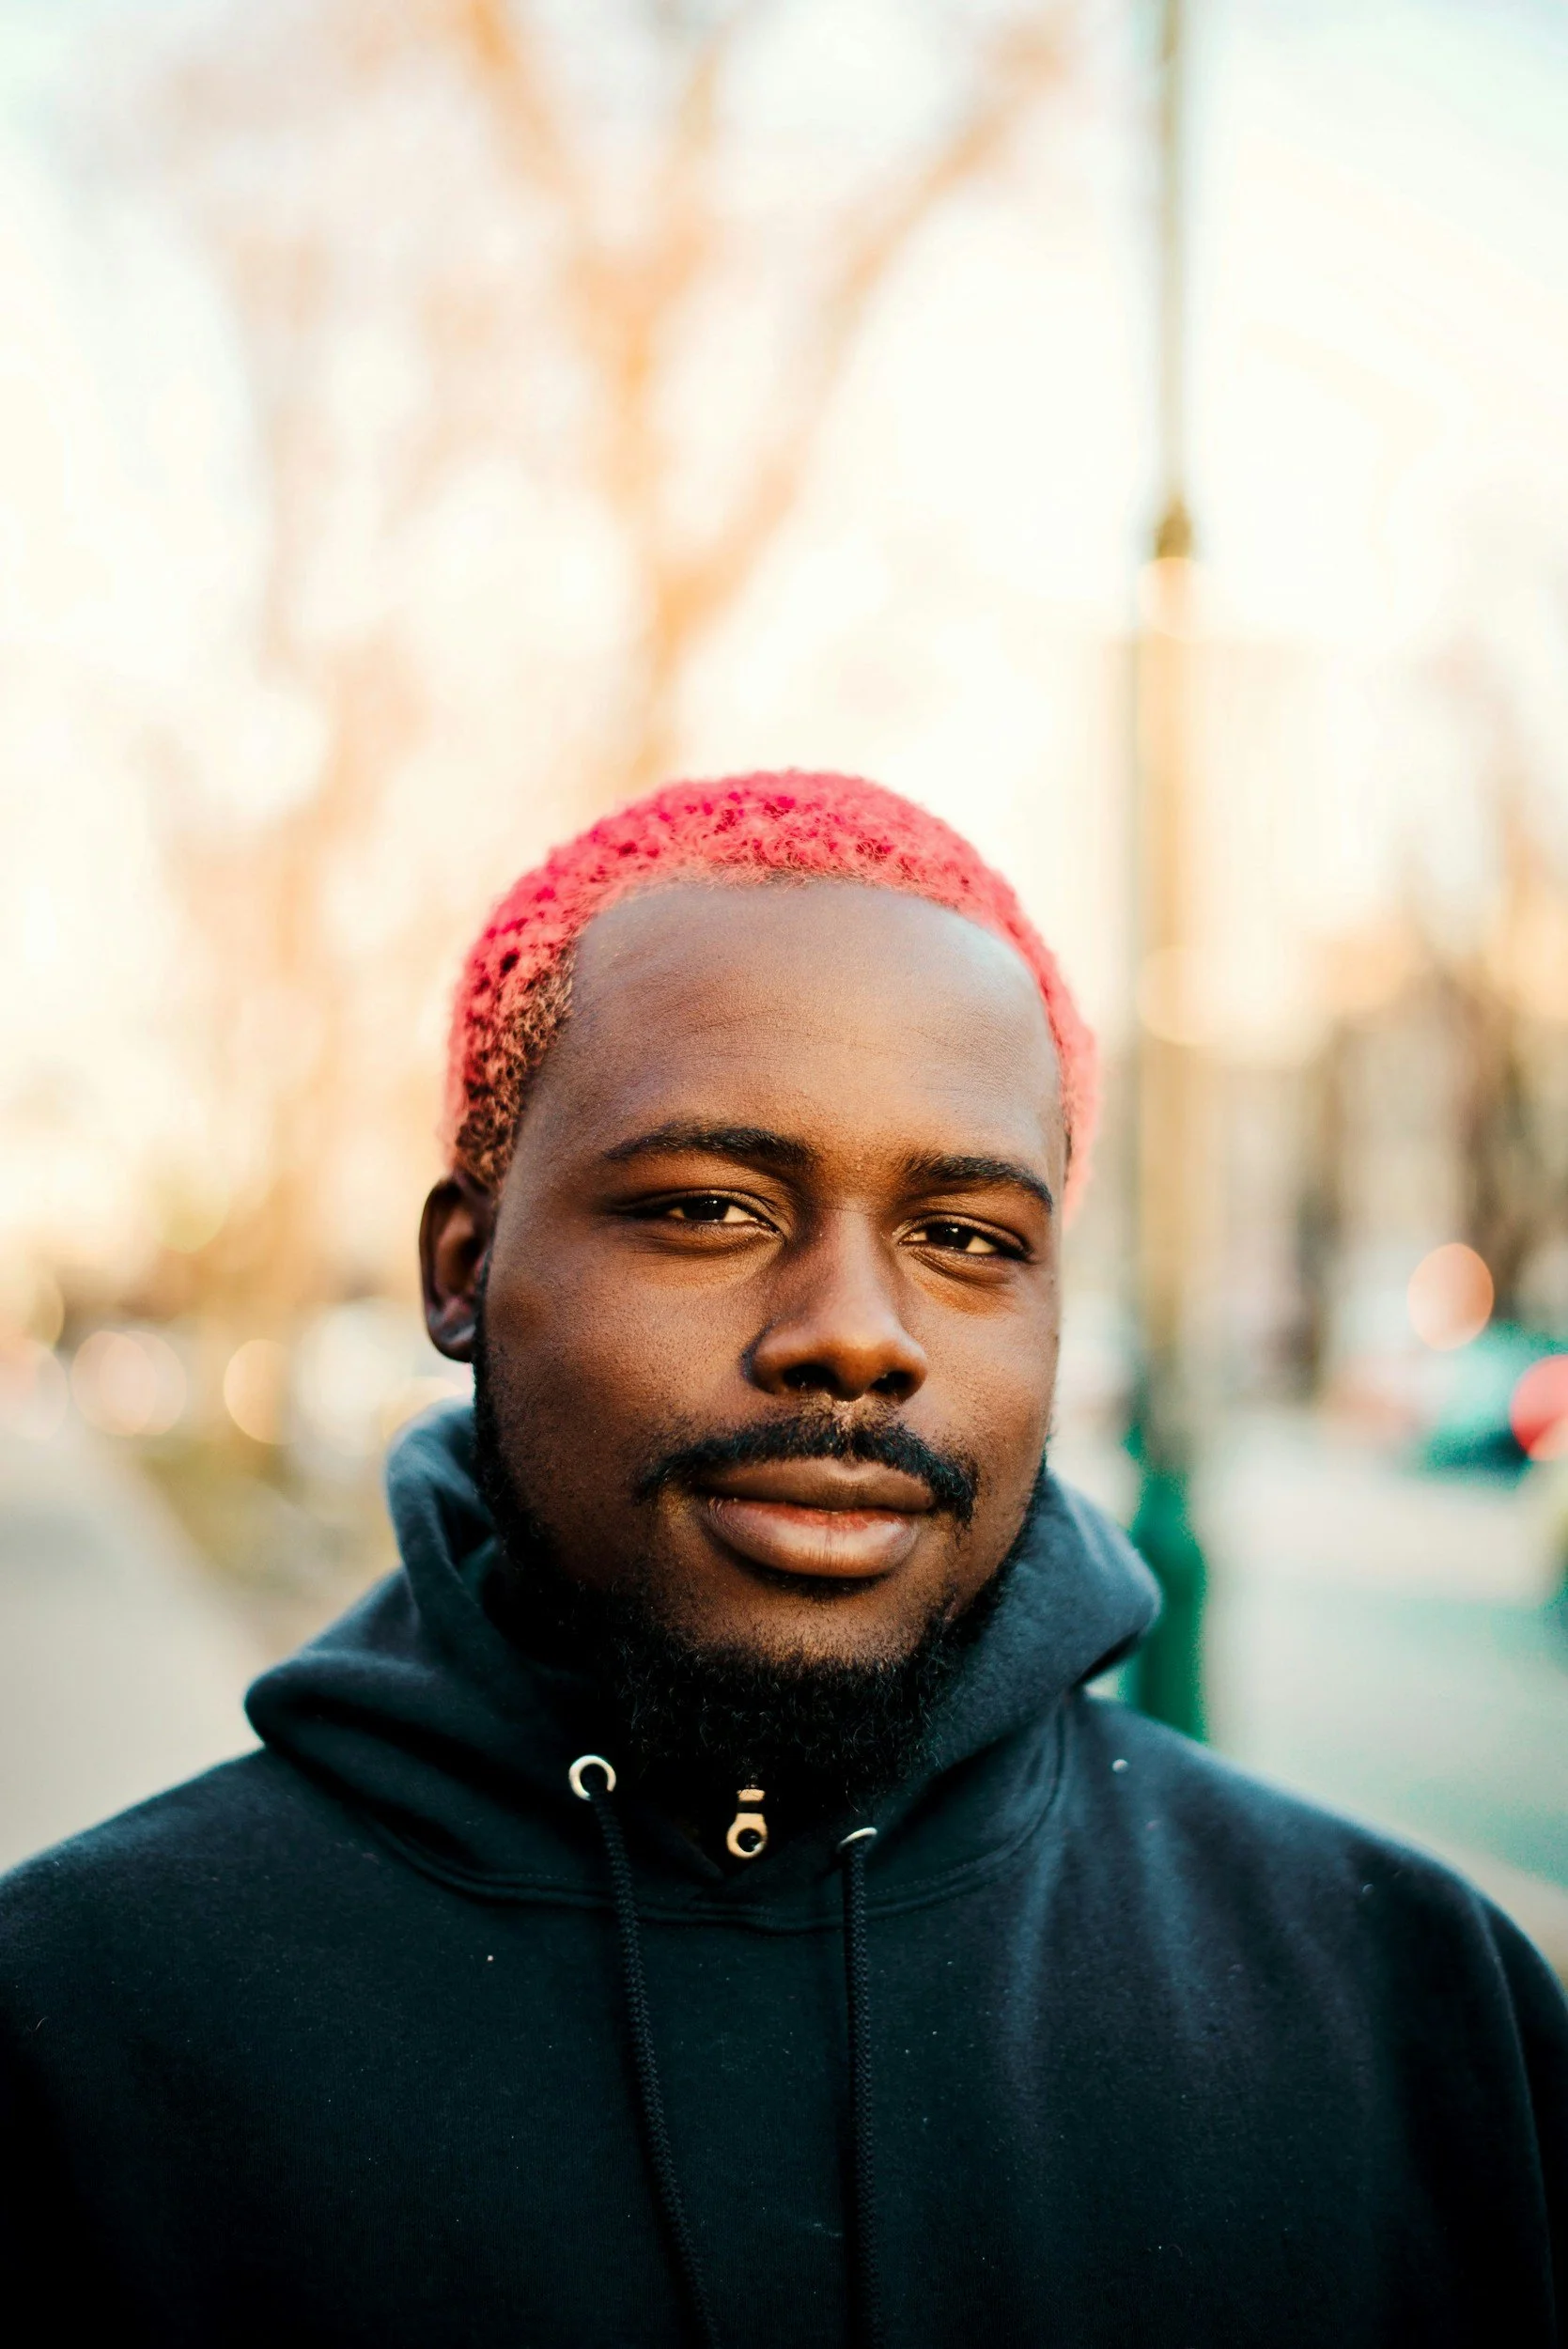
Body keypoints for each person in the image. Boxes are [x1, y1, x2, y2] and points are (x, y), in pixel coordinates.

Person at [1, 770, 1563, 2349]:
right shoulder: (83, 2017)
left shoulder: (1411, 2007)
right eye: (711, 1207)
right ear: (463, 1273)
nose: (855, 1336)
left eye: (966, 1239)